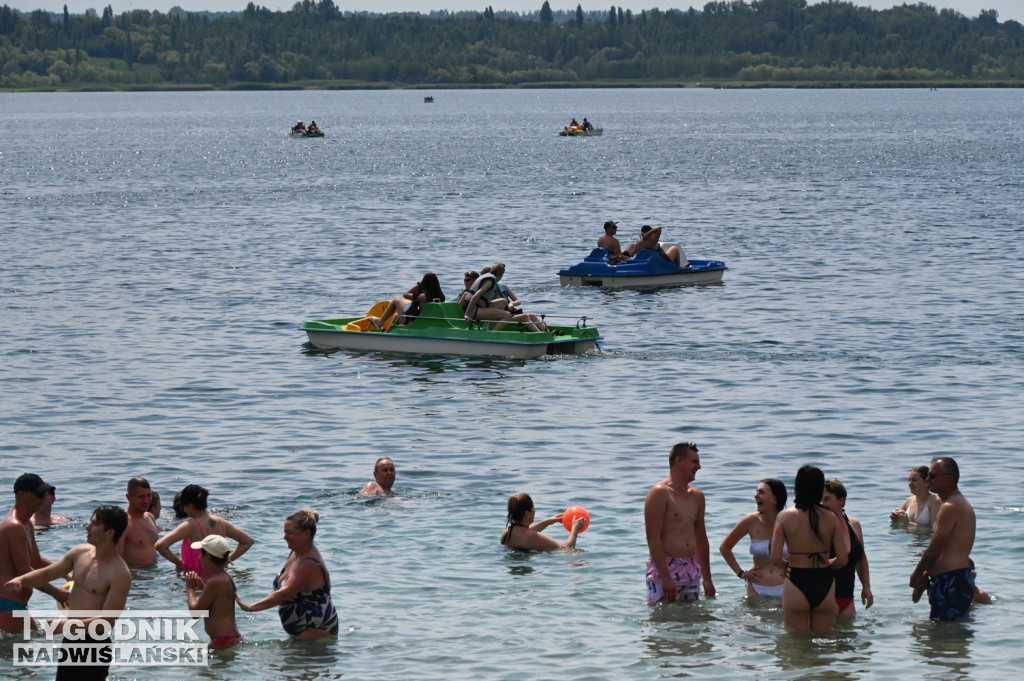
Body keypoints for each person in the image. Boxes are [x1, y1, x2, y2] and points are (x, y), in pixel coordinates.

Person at [4, 505, 131, 681]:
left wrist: (63, 625)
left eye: (94, 524)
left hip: (94, 645)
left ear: (110, 532)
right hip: (71, 640)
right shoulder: (80, 553)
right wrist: (21, 581)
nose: (88, 527)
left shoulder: (120, 574)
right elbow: (48, 573)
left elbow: (106, 622)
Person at [236, 509, 338, 639]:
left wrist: (250, 607)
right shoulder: (296, 553)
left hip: (316, 633)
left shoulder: (309, 563)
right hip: (303, 632)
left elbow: (285, 593)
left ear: (306, 533)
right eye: (285, 532)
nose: (285, 537)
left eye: (290, 533)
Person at [771, 465, 849, 633]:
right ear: (820, 488)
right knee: (824, 642)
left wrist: (789, 566)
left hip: (796, 580)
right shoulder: (831, 517)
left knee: (797, 645)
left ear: (797, 486)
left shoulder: (785, 516)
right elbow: (843, 559)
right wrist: (827, 564)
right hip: (824, 581)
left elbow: (775, 558)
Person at [644, 443, 716, 605]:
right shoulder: (659, 493)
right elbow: (653, 538)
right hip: (666, 567)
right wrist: (666, 577)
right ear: (679, 462)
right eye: (694, 462)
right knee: (663, 620)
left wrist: (707, 579)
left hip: (692, 567)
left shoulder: (697, 496)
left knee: (692, 625)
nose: (699, 466)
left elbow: (701, 539)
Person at [909, 456, 976, 621]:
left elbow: (934, 550)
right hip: (954, 579)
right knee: (948, 639)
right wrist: (926, 575)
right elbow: (947, 550)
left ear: (948, 479)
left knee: (945, 637)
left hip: (951, 581)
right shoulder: (960, 503)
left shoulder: (950, 507)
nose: (927, 479)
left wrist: (917, 574)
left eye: (932, 476)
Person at [1, 473, 69, 633]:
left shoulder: (26, 525)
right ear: (21, 495)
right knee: (21, 652)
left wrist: (66, 574)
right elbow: (24, 573)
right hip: (5, 604)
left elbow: (36, 561)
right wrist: (56, 593)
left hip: (17, 605)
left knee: (35, 643)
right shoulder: (14, 527)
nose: (44, 499)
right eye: (39, 495)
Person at [154, 484, 254, 579]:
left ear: (190, 506)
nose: (184, 510)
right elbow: (248, 541)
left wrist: (179, 564)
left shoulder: (189, 526)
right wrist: (227, 562)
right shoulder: (222, 523)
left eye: (183, 506)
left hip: (195, 576)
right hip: (219, 575)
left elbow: (160, 545)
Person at [719, 478, 788, 599]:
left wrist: (794, 569)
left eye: (761, 492)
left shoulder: (789, 520)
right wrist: (741, 573)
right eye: (756, 491)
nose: (756, 495)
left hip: (786, 586)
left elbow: (805, 551)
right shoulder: (750, 520)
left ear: (775, 499)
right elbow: (725, 547)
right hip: (756, 587)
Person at [821, 478, 873, 619]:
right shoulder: (818, 527)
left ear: (841, 500)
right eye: (819, 499)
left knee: (850, 638)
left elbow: (861, 558)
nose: (822, 504)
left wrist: (866, 587)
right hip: (822, 598)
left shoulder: (853, 524)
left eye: (827, 499)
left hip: (847, 597)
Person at [184, 535, 243, 648]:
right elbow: (218, 601)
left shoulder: (214, 582)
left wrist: (190, 588)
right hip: (230, 638)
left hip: (222, 641)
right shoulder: (225, 577)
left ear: (209, 557)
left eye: (201, 554)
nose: (199, 558)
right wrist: (202, 587)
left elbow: (195, 613)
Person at [464, 263, 547, 333]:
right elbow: (475, 296)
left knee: (503, 301)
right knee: (507, 315)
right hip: (474, 310)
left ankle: (547, 332)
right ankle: (491, 334)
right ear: (501, 274)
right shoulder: (490, 281)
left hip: (480, 307)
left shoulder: (492, 279)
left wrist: (511, 304)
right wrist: (467, 314)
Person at [500, 493, 584, 551]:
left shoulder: (507, 533)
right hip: (526, 571)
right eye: (533, 507)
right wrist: (575, 529)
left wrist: (549, 521)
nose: (535, 510)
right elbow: (567, 548)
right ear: (527, 513)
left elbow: (525, 532)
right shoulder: (533, 536)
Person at [369, 272, 445, 331]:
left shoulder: (423, 297)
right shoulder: (441, 296)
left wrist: (418, 286)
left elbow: (405, 295)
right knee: (396, 316)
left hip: (414, 322)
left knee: (396, 300)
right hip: (427, 321)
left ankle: (380, 322)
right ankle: (386, 334)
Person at [118, 476, 159, 565]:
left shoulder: (150, 517)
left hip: (154, 574)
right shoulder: (123, 522)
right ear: (128, 497)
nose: (147, 500)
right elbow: (116, 560)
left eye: (149, 495)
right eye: (141, 497)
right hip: (136, 576)